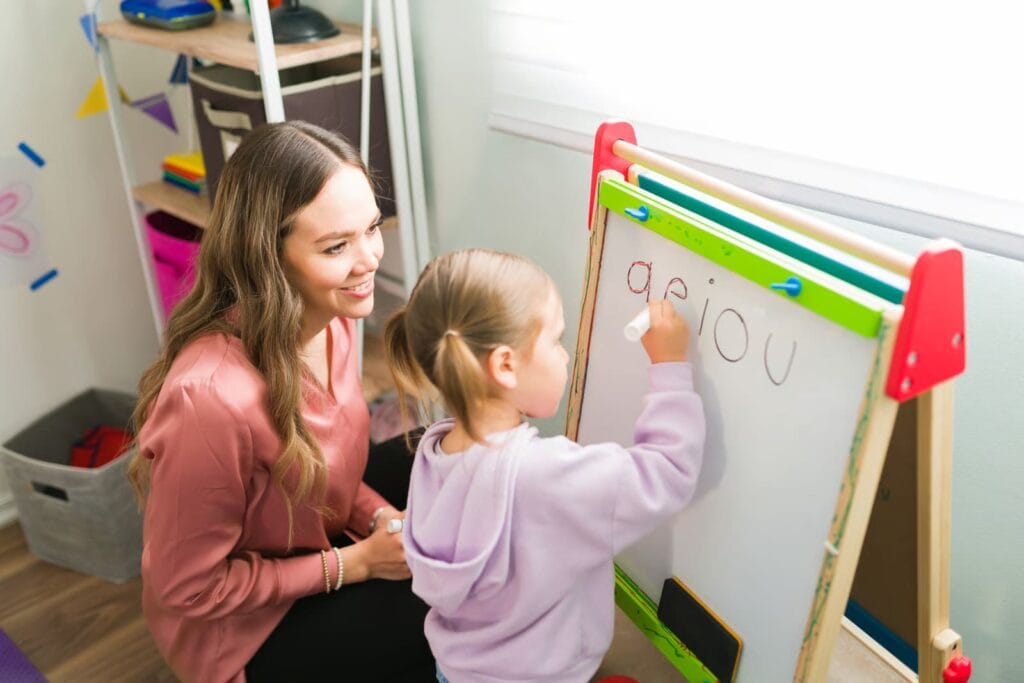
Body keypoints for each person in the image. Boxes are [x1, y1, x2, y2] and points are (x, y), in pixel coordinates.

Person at [127, 121, 434, 683]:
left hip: (311, 541)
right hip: (245, 632)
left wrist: (378, 517)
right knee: (452, 605)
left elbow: (327, 476)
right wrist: (355, 564)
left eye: (372, 228)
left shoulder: (335, 321)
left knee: (452, 459)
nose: (368, 260)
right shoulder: (209, 399)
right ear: (270, 256)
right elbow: (188, 586)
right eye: (337, 246)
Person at [384, 248, 706, 683]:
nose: (566, 356)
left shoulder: (433, 450)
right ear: (505, 365)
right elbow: (667, 473)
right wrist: (670, 367)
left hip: (457, 671)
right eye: (555, 340)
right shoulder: (546, 475)